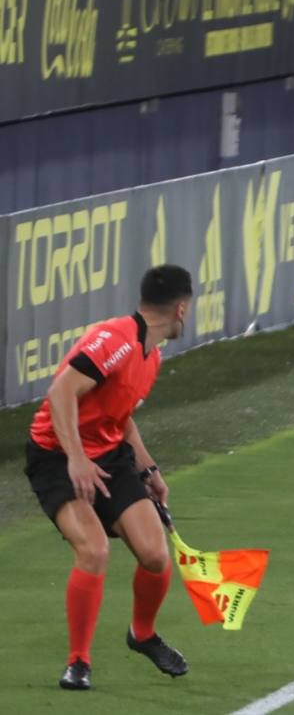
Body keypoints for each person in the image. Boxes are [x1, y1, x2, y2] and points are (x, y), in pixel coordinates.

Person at [24, 265, 194, 690]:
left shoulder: (151, 353)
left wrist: (148, 468)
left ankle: (142, 634)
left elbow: (120, 418)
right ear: (181, 308)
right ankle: (78, 662)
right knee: (94, 550)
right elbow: (61, 392)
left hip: (110, 456)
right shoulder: (116, 339)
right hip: (56, 455)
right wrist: (76, 459)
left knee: (155, 555)